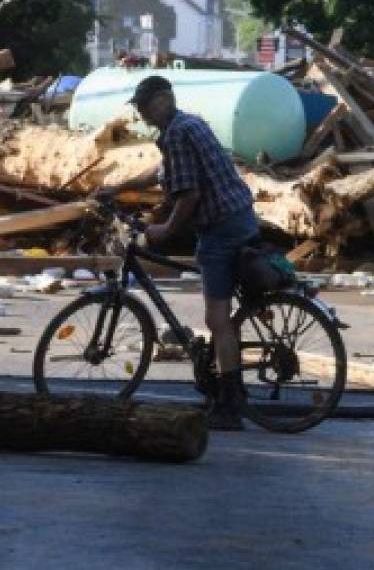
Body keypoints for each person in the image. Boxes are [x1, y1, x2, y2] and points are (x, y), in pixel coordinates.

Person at [98, 75, 258, 430]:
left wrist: (165, 231)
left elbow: (189, 195)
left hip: (222, 227)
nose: (144, 113)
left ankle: (231, 406)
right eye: (140, 108)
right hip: (239, 217)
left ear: (166, 98)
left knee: (217, 318)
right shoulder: (188, 123)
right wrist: (118, 187)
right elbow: (162, 173)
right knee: (221, 313)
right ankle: (225, 386)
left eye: (148, 105)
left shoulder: (177, 133)